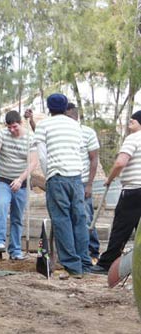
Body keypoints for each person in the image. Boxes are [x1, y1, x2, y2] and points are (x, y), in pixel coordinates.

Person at [28, 93, 90, 278]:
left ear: (49, 108)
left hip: (57, 176)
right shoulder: (75, 125)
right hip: (76, 176)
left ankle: (73, 266)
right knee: (78, 219)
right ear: (65, 108)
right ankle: (84, 262)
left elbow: (42, 153)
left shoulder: (45, 125)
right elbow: (79, 151)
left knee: (61, 220)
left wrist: (49, 175)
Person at [91, 111, 141, 274]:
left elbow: (120, 163)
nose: (131, 120)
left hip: (133, 190)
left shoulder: (133, 138)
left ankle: (106, 264)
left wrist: (110, 178)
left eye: (134, 119)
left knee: (121, 228)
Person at [0, 110, 36, 260]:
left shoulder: (30, 138)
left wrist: (20, 179)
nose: (12, 130)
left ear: (20, 123)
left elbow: (34, 162)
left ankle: (15, 250)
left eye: (14, 127)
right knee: (1, 205)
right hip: (3, 179)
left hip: (21, 182)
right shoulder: (2, 134)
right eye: (9, 127)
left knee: (17, 216)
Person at [65, 103, 101, 264]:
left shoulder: (87, 132)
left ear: (74, 115)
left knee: (86, 217)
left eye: (67, 117)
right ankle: (77, 250)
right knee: (72, 217)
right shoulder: (63, 132)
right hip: (67, 179)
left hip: (83, 180)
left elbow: (94, 159)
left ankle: (93, 250)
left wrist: (89, 184)